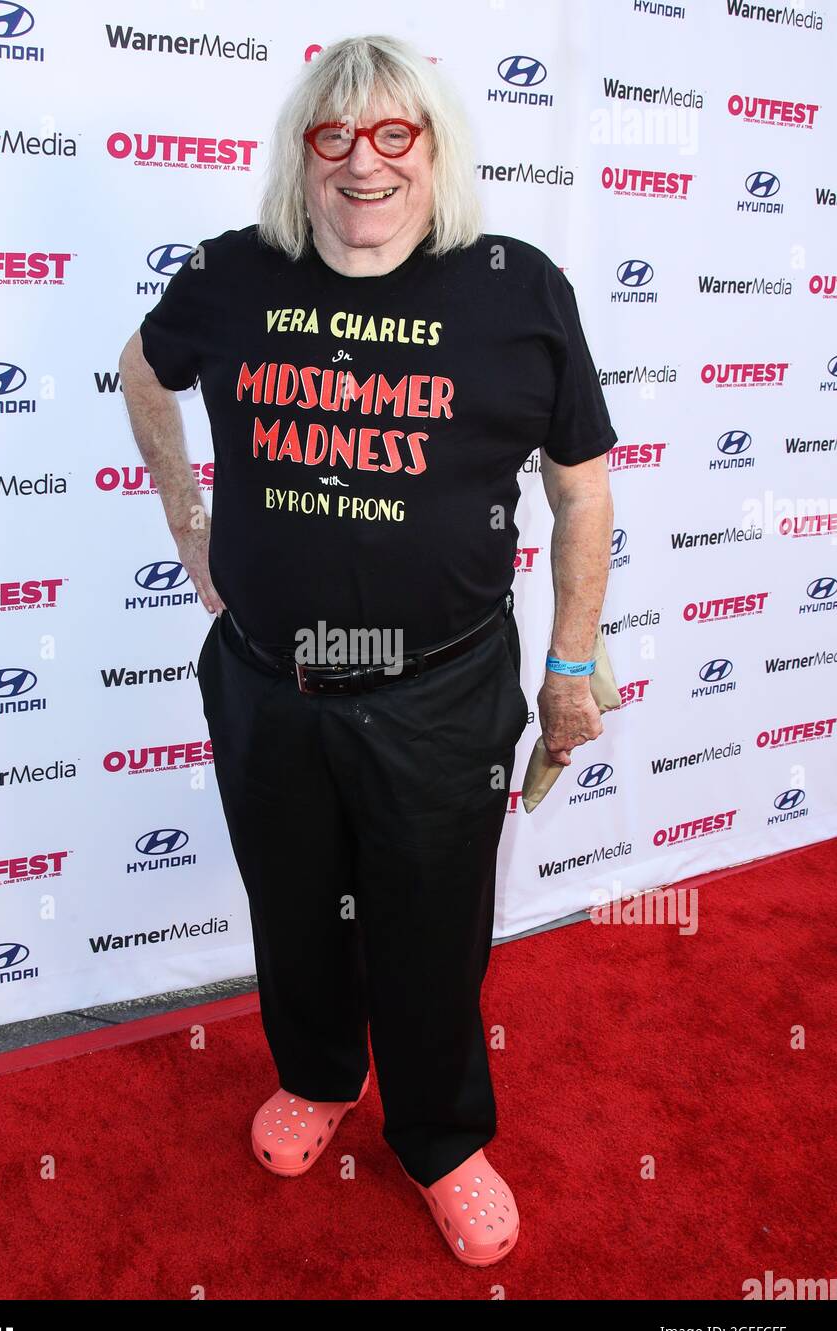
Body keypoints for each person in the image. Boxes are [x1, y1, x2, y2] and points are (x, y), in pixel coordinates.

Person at [119, 33, 616, 1268]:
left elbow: (583, 493)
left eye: (397, 134)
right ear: (304, 156)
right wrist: (192, 525)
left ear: (434, 151)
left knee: (434, 930)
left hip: (442, 693)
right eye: (333, 136)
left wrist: (567, 664)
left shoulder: (517, 290)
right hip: (267, 683)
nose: (364, 163)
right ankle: (319, 1075)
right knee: (293, 912)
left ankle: (443, 1139)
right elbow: (142, 374)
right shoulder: (235, 276)